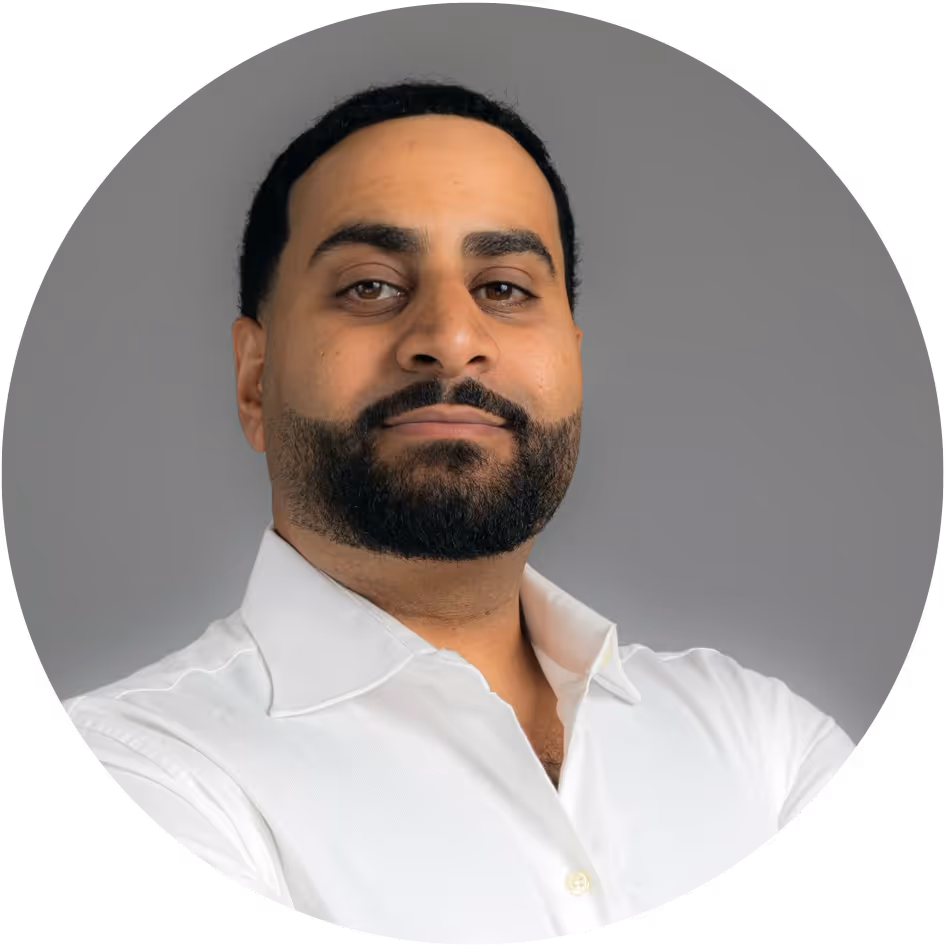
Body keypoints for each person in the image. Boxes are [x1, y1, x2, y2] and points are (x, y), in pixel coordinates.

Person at [63, 80, 855, 936]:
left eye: (506, 288)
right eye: (369, 285)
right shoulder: (143, 770)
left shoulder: (761, 741)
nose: (449, 334)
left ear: (573, 358)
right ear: (255, 379)